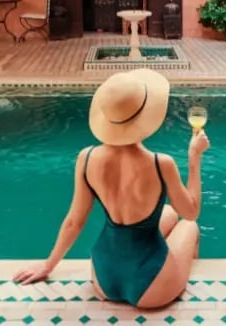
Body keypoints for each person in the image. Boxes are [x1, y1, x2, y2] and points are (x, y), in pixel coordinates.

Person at [13, 69, 210, 308]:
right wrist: (194, 156)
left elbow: (74, 222)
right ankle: (174, 275)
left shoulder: (86, 158)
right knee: (189, 226)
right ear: (145, 116)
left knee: (168, 212)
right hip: (152, 287)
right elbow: (191, 211)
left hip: (104, 278)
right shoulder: (161, 163)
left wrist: (48, 265)